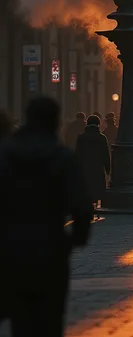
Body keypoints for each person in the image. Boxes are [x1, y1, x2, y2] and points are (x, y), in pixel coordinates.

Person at [0, 96, 93, 336]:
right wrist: (75, 239)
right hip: (51, 249)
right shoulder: (62, 157)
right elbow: (82, 206)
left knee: (21, 319)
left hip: (11, 249)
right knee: (50, 319)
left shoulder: (5, 155)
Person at [76, 115, 111, 215]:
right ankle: (95, 207)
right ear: (98, 124)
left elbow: (77, 154)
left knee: (86, 188)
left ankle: (87, 207)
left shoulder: (81, 137)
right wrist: (108, 170)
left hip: (84, 168)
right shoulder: (102, 138)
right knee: (96, 188)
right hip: (97, 168)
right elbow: (106, 155)